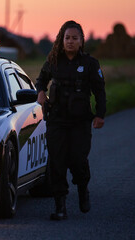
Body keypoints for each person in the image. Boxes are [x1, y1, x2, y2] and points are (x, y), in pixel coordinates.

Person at [35, 20, 106, 220]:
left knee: (77, 160)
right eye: (67, 38)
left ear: (82, 41)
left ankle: (83, 189)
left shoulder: (90, 64)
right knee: (57, 163)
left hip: (80, 122)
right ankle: (60, 206)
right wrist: (40, 92)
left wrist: (100, 115)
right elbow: (41, 79)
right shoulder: (53, 60)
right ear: (61, 40)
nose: (71, 42)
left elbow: (100, 91)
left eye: (75, 38)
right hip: (56, 120)